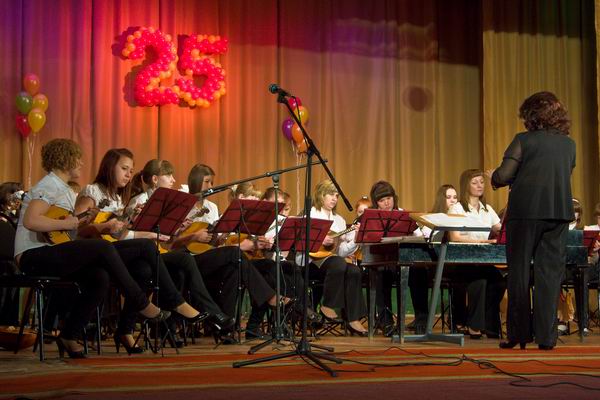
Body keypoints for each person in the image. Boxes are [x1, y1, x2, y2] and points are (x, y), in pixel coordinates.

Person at [14, 139, 168, 358]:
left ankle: (69, 335)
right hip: (33, 255)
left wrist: (81, 222)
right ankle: (140, 301)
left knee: (100, 276)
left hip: (51, 250)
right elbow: (31, 220)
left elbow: (61, 229)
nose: (81, 164)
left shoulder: (64, 189)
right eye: (78, 159)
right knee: (104, 248)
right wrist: (69, 223)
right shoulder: (49, 185)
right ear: (65, 159)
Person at [75, 149, 206, 353]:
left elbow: (119, 235)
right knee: (147, 247)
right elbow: (76, 229)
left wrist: (129, 221)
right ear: (110, 167)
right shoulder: (92, 192)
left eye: (131, 170)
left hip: (112, 252)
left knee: (144, 270)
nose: (129, 174)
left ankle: (125, 331)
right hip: (93, 254)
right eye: (124, 168)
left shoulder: (119, 198)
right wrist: (104, 227)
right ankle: (175, 302)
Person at [491, 91, 576, 350]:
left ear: (531, 115)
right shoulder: (569, 144)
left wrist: (493, 176)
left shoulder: (523, 140)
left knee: (518, 273)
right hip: (558, 213)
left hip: (525, 212)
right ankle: (546, 337)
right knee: (549, 275)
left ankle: (519, 335)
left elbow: (504, 175)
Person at [298, 179, 367, 336]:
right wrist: (319, 240)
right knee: (338, 263)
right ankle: (328, 304)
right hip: (310, 263)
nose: (335, 198)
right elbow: (300, 243)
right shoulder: (309, 215)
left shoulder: (339, 220)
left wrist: (355, 239)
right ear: (321, 195)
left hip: (332, 265)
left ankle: (353, 318)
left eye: (336, 196)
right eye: (331, 194)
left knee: (354, 270)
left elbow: (341, 252)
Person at [447, 170, 505, 339]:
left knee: (499, 281)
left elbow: (501, 229)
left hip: (483, 260)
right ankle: (474, 325)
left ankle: (490, 325)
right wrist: (484, 241)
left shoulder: (487, 209)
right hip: (461, 261)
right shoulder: (457, 208)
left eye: (482, 182)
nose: (480, 185)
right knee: (479, 280)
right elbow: (455, 237)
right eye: (475, 182)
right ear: (466, 185)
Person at [369, 181, 427, 335]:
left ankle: (421, 319)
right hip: (382, 260)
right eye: (382, 200)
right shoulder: (372, 217)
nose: (387, 203)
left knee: (419, 271)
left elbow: (419, 234)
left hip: (403, 260)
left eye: (389, 198)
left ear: (394, 198)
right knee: (381, 273)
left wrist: (418, 234)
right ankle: (386, 322)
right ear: (376, 203)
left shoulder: (403, 214)